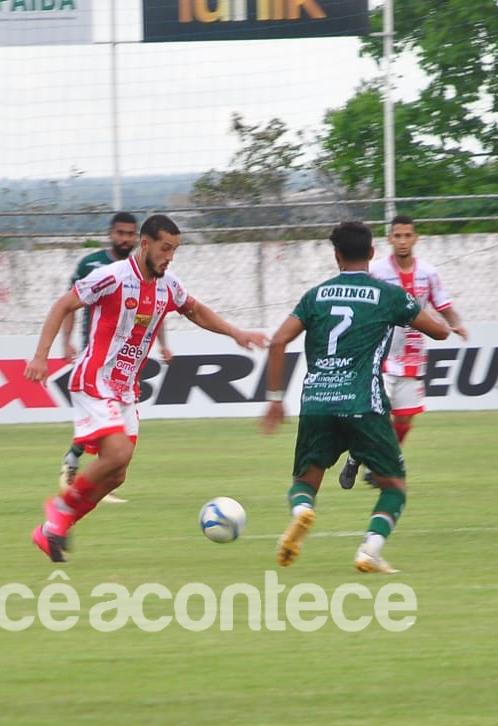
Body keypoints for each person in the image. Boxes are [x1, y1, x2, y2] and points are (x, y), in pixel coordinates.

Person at [25, 213, 266, 563]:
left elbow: (195, 310)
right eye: (165, 248)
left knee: (116, 475)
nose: (170, 257)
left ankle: (51, 530)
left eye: (175, 250)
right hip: (95, 379)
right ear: (145, 243)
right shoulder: (112, 276)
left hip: (125, 389)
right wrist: (41, 356)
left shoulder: (168, 285)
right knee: (117, 454)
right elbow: (64, 304)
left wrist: (236, 333)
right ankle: (59, 509)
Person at [260, 221, 449, 574]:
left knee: (304, 483)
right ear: (372, 253)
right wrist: (420, 313)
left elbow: (278, 341)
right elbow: (439, 332)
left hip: (317, 402)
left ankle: (303, 512)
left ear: (336, 256)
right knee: (394, 486)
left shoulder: (315, 296)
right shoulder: (388, 295)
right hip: (364, 403)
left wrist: (274, 398)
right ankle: (369, 550)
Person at [338, 214, 466, 490]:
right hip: (381, 356)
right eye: (398, 236)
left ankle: (371, 462)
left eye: (408, 235)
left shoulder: (429, 273)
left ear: (415, 238)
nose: (403, 241)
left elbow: (443, 305)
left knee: (404, 418)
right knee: (375, 415)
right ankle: (362, 458)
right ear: (390, 239)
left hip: (412, 358)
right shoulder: (377, 271)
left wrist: (456, 323)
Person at [55, 211, 174, 503]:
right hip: (96, 353)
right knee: (108, 428)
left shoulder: (148, 271)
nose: (125, 238)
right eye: (120, 233)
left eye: (130, 233)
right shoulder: (94, 265)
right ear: (111, 234)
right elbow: (69, 303)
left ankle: (80, 464)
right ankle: (78, 478)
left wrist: (163, 345)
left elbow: (154, 312)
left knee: (113, 432)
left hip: (124, 364)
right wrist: (66, 341)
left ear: (138, 238)